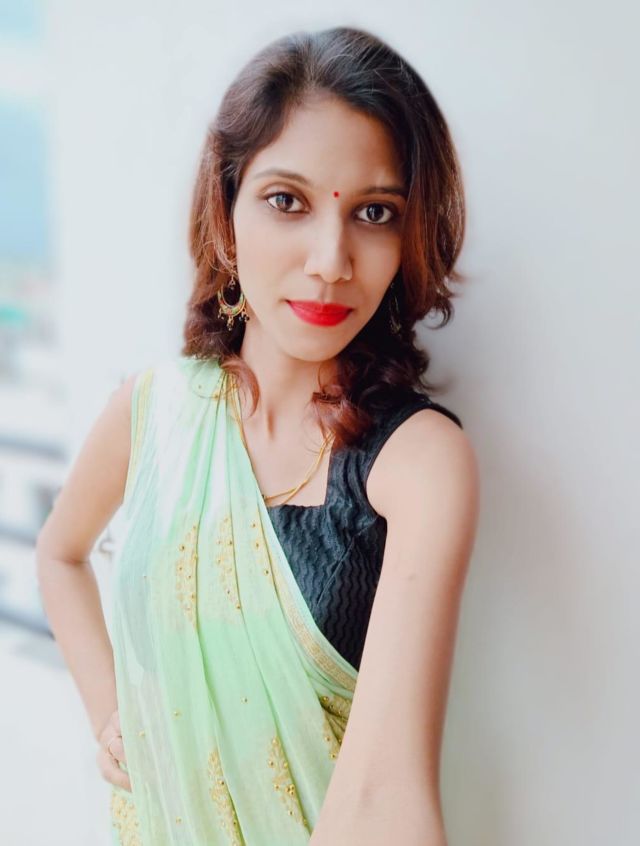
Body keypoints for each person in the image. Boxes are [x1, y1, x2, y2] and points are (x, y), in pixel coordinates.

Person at [36, 25, 479, 846]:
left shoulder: (418, 460)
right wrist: (109, 714)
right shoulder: (154, 411)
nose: (330, 260)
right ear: (225, 209)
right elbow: (60, 554)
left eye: (374, 212)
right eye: (287, 201)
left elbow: (387, 794)